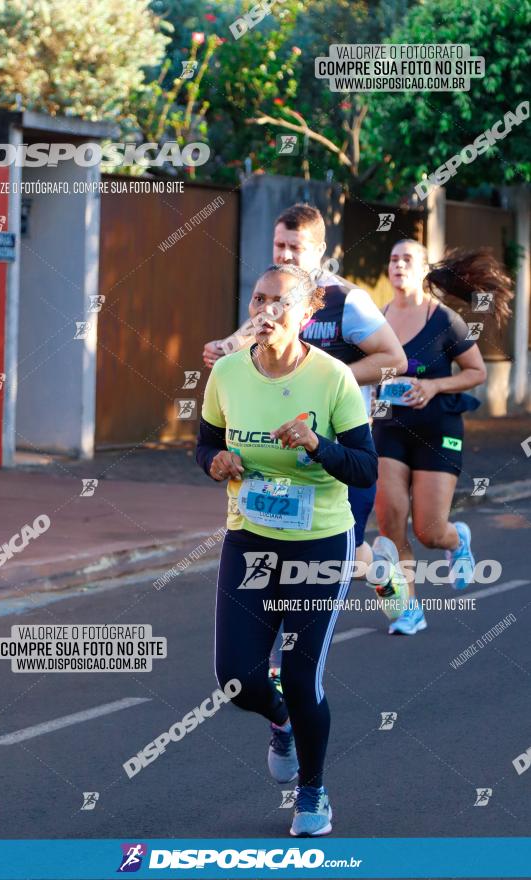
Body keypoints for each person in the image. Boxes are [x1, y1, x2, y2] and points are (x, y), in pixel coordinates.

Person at [196, 263, 377, 836]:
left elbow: (366, 469)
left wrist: (318, 444)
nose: (266, 311)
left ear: (306, 314)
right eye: (258, 299)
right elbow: (203, 444)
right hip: (249, 539)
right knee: (236, 677)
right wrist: (215, 463)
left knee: (301, 678)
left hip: (319, 544)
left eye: (279, 302)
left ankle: (313, 793)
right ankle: (281, 723)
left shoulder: (333, 379)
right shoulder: (226, 374)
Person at [203, 203, 406, 578]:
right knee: (292, 558)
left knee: (339, 555)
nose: (285, 255)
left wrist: (325, 378)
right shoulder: (272, 298)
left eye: (295, 248)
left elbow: (396, 360)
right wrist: (222, 349)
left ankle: (386, 576)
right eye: (280, 245)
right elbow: (242, 347)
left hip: (336, 445)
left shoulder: (347, 300)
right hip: (273, 451)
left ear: (319, 251)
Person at [372, 241, 513, 635]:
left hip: (438, 430)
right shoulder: (376, 320)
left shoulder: (445, 320)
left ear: (422, 271)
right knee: (391, 523)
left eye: (407, 260)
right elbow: (366, 369)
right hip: (389, 428)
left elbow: (476, 373)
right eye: (393, 258)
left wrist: (434, 388)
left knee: (428, 530)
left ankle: (457, 540)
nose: (398, 264)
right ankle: (409, 609)